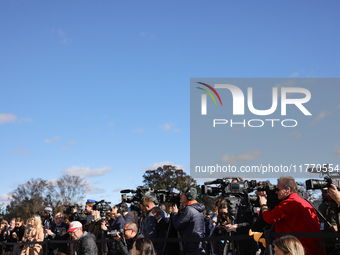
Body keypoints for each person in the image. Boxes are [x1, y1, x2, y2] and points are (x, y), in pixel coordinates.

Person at [258, 176, 324, 255]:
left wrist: (263, 205)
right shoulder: (304, 202)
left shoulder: (289, 203)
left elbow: (269, 218)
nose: (276, 192)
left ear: (287, 190)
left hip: (297, 250)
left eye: (278, 189)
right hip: (311, 249)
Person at [172, 187, 206, 255]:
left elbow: (178, 226)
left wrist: (175, 213)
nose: (180, 196)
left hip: (191, 247)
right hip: (199, 245)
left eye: (182, 194)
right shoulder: (198, 208)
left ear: (188, 196)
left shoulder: (189, 209)